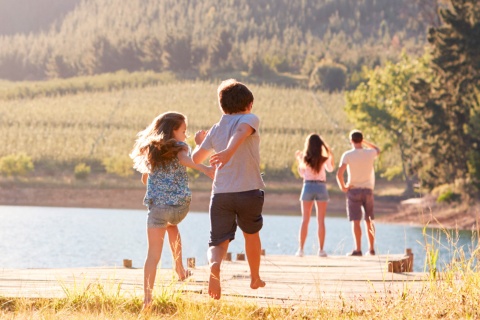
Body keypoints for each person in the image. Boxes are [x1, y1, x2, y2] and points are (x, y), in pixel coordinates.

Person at [130, 112, 215, 309]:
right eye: (183, 131)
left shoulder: (153, 150)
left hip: (157, 209)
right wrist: (205, 169)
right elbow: (185, 160)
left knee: (152, 255)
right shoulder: (181, 147)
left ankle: (147, 300)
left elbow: (145, 178)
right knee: (172, 226)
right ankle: (180, 270)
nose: (185, 135)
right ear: (173, 131)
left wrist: (155, 178)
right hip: (178, 207)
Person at [192, 79, 266, 300]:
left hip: (221, 194)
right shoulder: (250, 118)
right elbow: (242, 132)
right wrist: (228, 152)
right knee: (251, 235)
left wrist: (200, 142)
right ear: (249, 103)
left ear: (221, 106)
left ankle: (215, 267)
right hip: (249, 191)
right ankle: (254, 277)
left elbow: (196, 158)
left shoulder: (216, 128)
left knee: (217, 241)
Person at [336, 129, 380, 256]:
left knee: (356, 221)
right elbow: (378, 149)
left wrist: (343, 187)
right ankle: (371, 249)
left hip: (353, 190)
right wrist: (365, 142)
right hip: (368, 190)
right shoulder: (370, 153)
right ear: (361, 140)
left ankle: (358, 249)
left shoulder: (347, 155)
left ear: (351, 141)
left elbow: (339, 173)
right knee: (369, 220)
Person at [295, 133, 334, 258]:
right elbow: (331, 169)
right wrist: (331, 155)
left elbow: (302, 173)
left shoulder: (304, 158)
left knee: (305, 220)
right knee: (321, 220)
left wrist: (298, 160)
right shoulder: (324, 158)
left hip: (307, 186)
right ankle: (321, 250)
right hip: (321, 187)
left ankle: (300, 250)